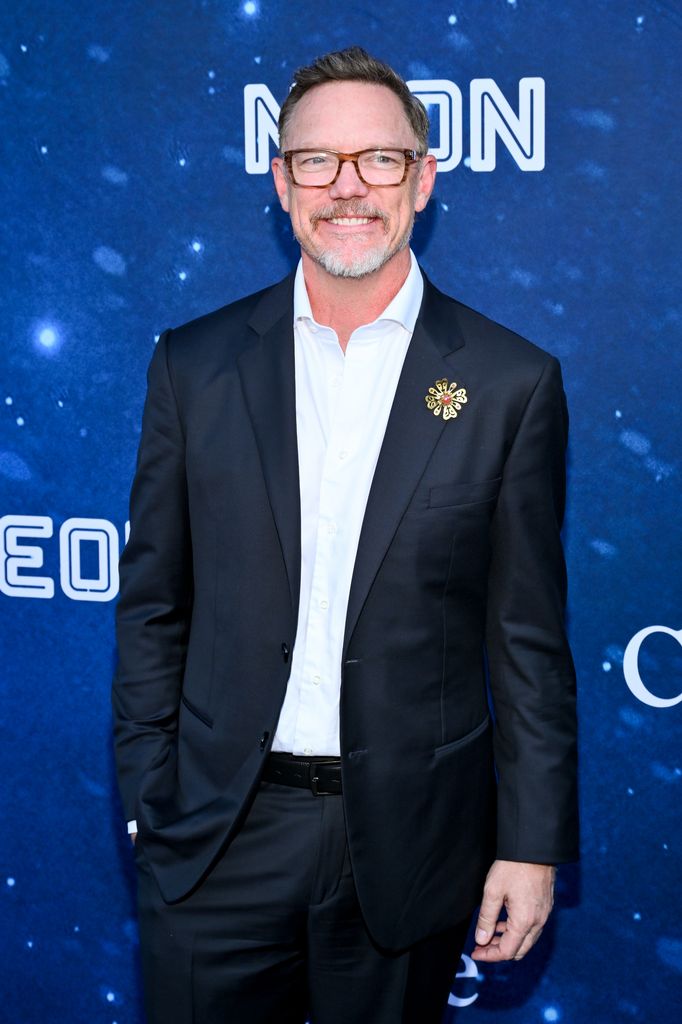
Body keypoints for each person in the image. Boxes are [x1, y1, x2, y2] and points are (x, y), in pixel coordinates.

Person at [112, 45, 578, 1024]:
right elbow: (156, 604)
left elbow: (526, 644)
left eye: (380, 159)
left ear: (424, 178)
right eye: (317, 162)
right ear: (282, 184)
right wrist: (149, 795)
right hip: (215, 837)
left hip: (408, 845)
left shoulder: (507, 383)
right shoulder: (193, 367)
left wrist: (530, 845)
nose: (348, 188)